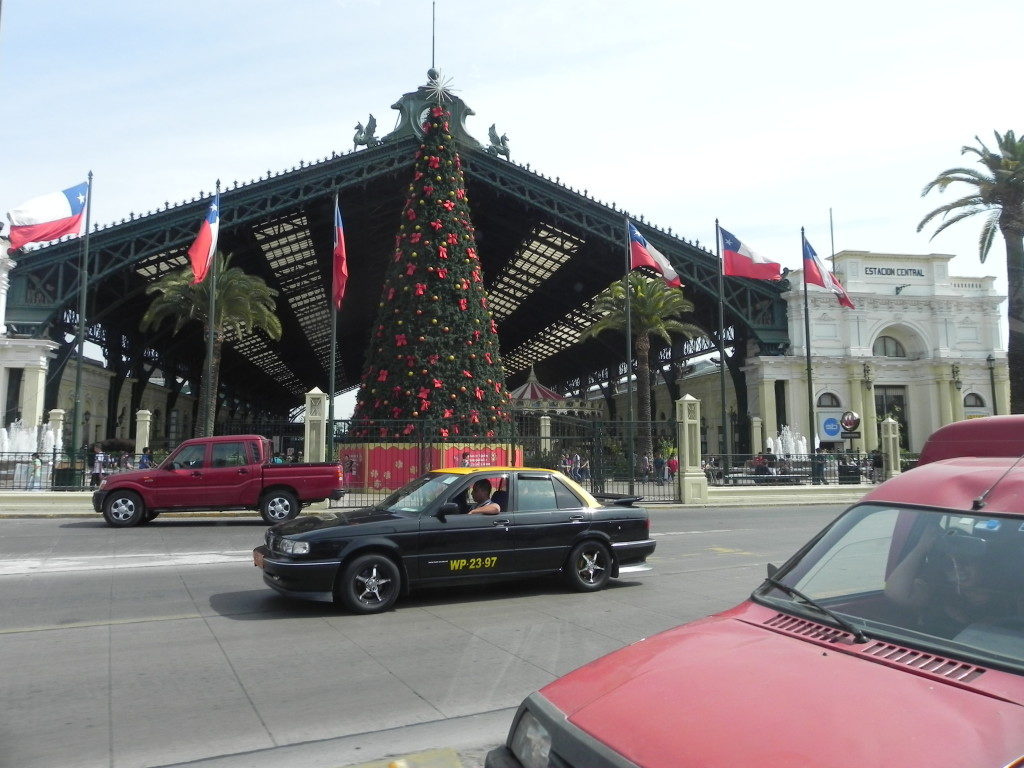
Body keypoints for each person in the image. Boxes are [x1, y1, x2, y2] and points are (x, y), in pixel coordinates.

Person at [885, 525, 1016, 638]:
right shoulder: (937, 591)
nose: (958, 568)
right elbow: (896, 593)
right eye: (949, 564)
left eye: (965, 561)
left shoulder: (1008, 596)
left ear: (981, 563)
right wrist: (921, 547)